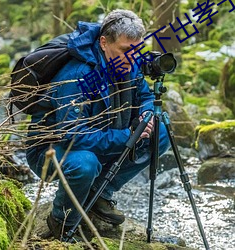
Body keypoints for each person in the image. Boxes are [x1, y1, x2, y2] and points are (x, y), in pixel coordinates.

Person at [26, 9, 170, 241]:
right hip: (52, 150)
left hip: (102, 136)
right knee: (85, 164)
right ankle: (61, 221)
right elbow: (72, 135)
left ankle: (100, 193)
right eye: (125, 50)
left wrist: (146, 114)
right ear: (104, 42)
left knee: (160, 132)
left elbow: (144, 96)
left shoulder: (127, 62)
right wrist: (127, 135)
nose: (133, 58)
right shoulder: (77, 75)